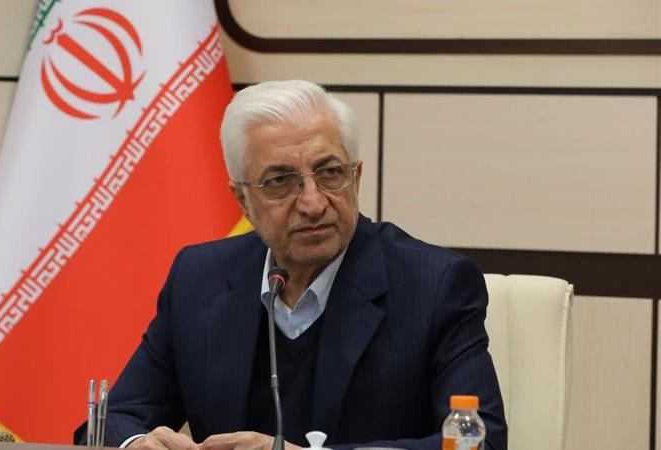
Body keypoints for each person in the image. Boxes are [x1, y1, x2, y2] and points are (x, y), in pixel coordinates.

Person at [76, 80, 507, 450]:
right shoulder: (199, 279)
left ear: (356, 177)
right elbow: (115, 419)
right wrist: (138, 443)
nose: (313, 203)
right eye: (280, 181)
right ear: (242, 199)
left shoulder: (434, 285)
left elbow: (479, 441)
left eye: (330, 172)